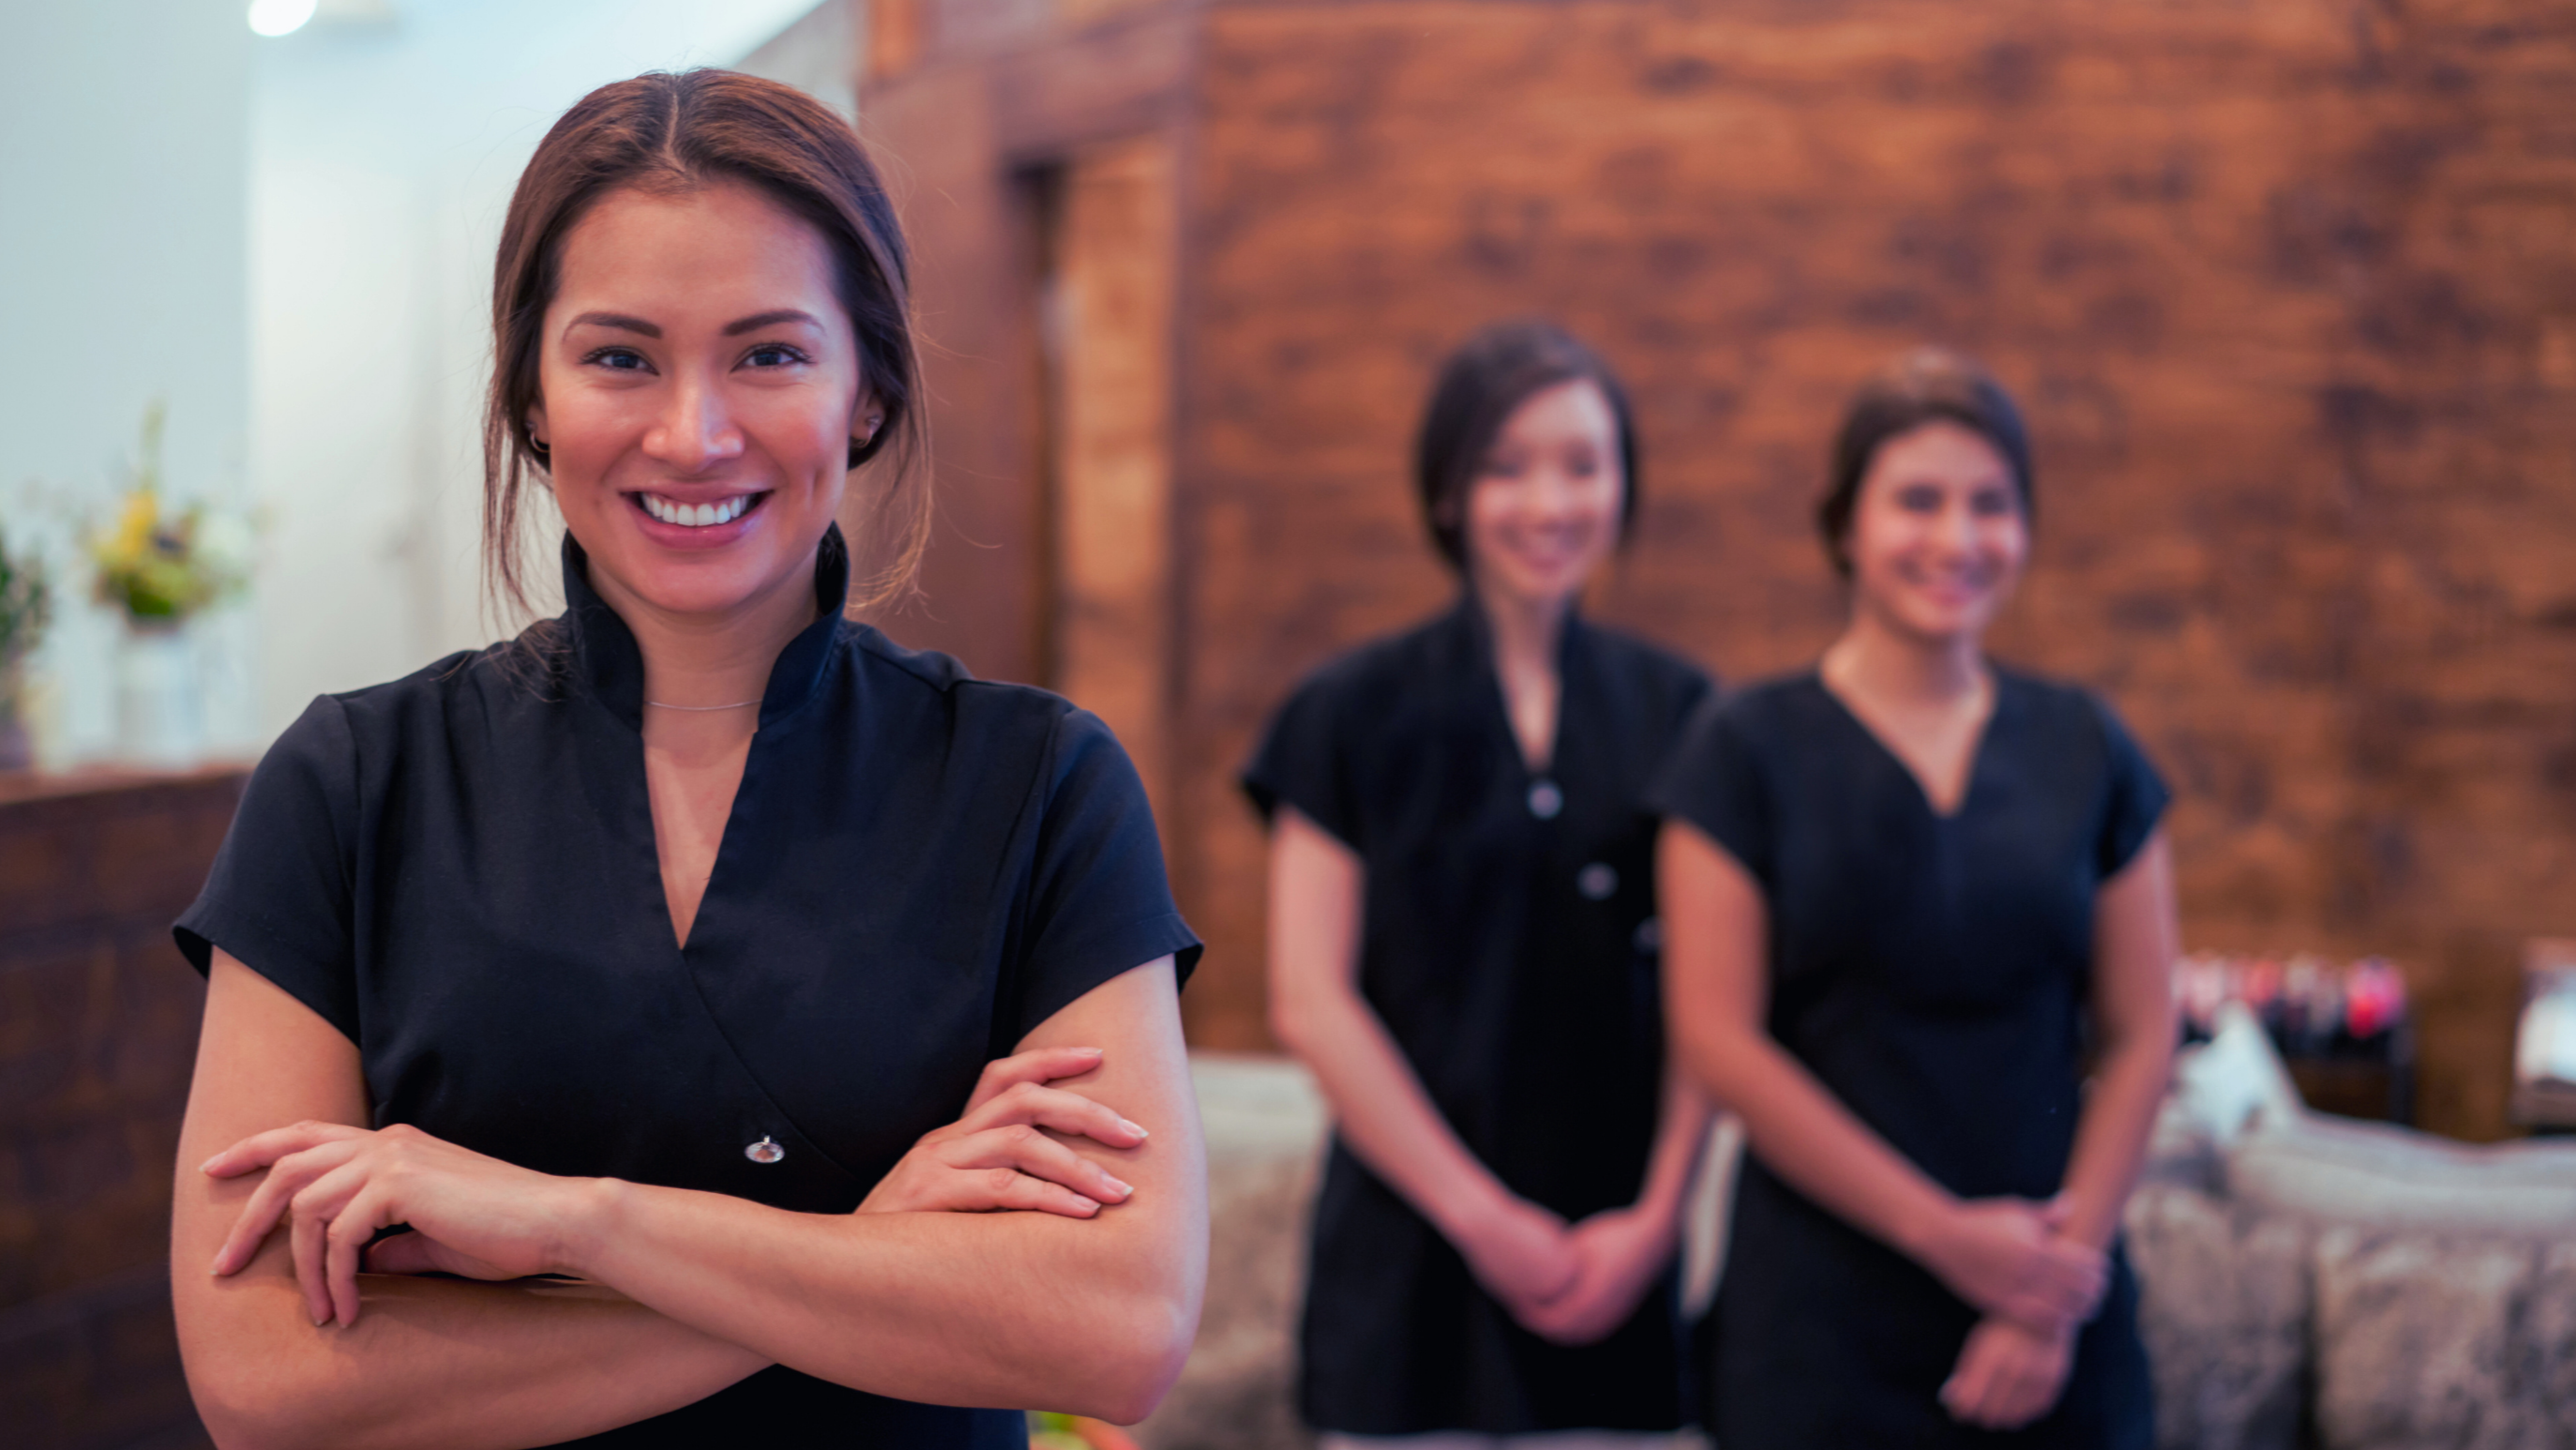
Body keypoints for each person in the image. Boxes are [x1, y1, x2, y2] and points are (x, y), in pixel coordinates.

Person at [168, 70, 1206, 1448]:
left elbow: (1114, 1328)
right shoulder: (355, 781)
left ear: (867, 392)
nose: (692, 432)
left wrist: (571, 1221)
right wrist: (870, 1247)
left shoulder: (1036, 784)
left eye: (769, 353)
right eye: (620, 357)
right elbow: (262, 1375)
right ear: (531, 396)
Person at [1652, 348, 2177, 1446]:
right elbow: (1717, 1039)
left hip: (2050, 1308)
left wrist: (2048, 1288)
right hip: (1817, 1323)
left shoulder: (2088, 746)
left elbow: (2139, 1034)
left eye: (1989, 504)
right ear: (1843, 525)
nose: (1955, 538)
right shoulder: (1739, 749)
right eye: (1916, 501)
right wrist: (1943, 1235)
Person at [1244, 320, 1714, 1447]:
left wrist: (1655, 1221)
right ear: (1448, 491)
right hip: (1405, 1270)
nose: (1548, 502)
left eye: (1582, 465)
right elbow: (1309, 1000)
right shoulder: (1346, 714)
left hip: (1615, 1261)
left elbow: (1716, 1006)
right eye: (1506, 467)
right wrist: (1483, 1218)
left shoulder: (1686, 716)